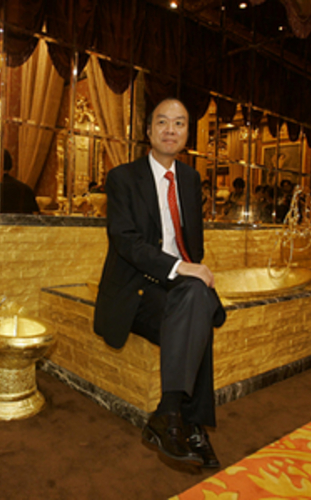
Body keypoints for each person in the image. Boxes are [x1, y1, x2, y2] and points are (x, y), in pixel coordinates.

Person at [93, 98, 226, 468]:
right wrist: (181, 268)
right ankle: (193, 426)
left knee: (194, 302)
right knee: (197, 310)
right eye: (163, 122)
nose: (171, 130)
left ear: (187, 133)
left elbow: (193, 244)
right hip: (136, 289)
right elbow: (126, 242)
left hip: (177, 289)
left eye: (179, 123)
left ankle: (169, 414)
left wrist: (189, 270)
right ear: (148, 130)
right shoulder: (122, 178)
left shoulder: (190, 180)